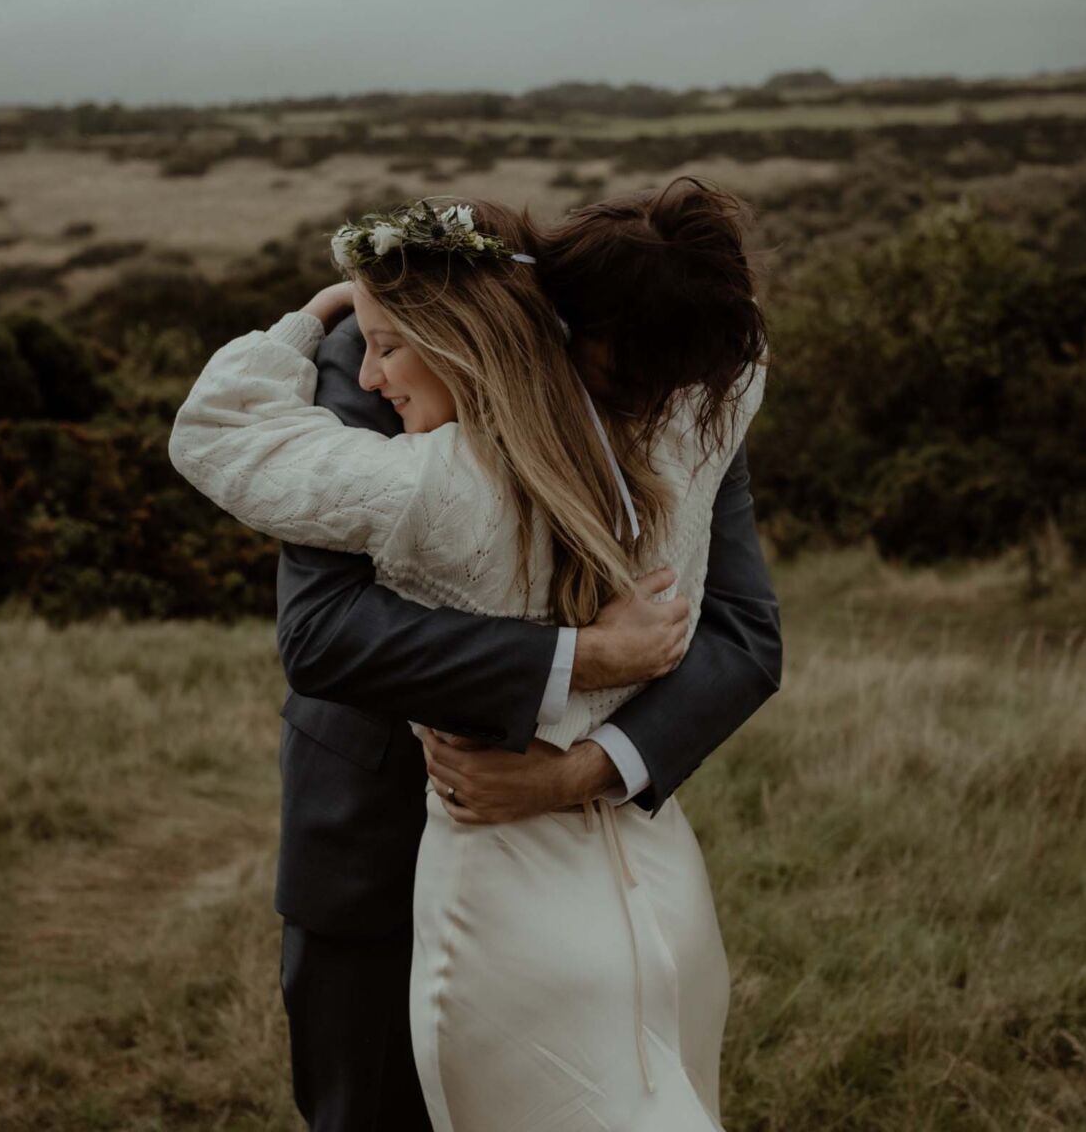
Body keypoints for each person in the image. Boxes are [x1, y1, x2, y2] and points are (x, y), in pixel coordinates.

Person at [170, 179, 780, 1131]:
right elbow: (324, 632)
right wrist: (577, 657)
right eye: (616, 380)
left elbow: (743, 635)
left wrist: (582, 772)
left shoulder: (692, 383)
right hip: (372, 844)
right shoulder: (372, 366)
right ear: (547, 318)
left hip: (592, 858)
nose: (635, 413)